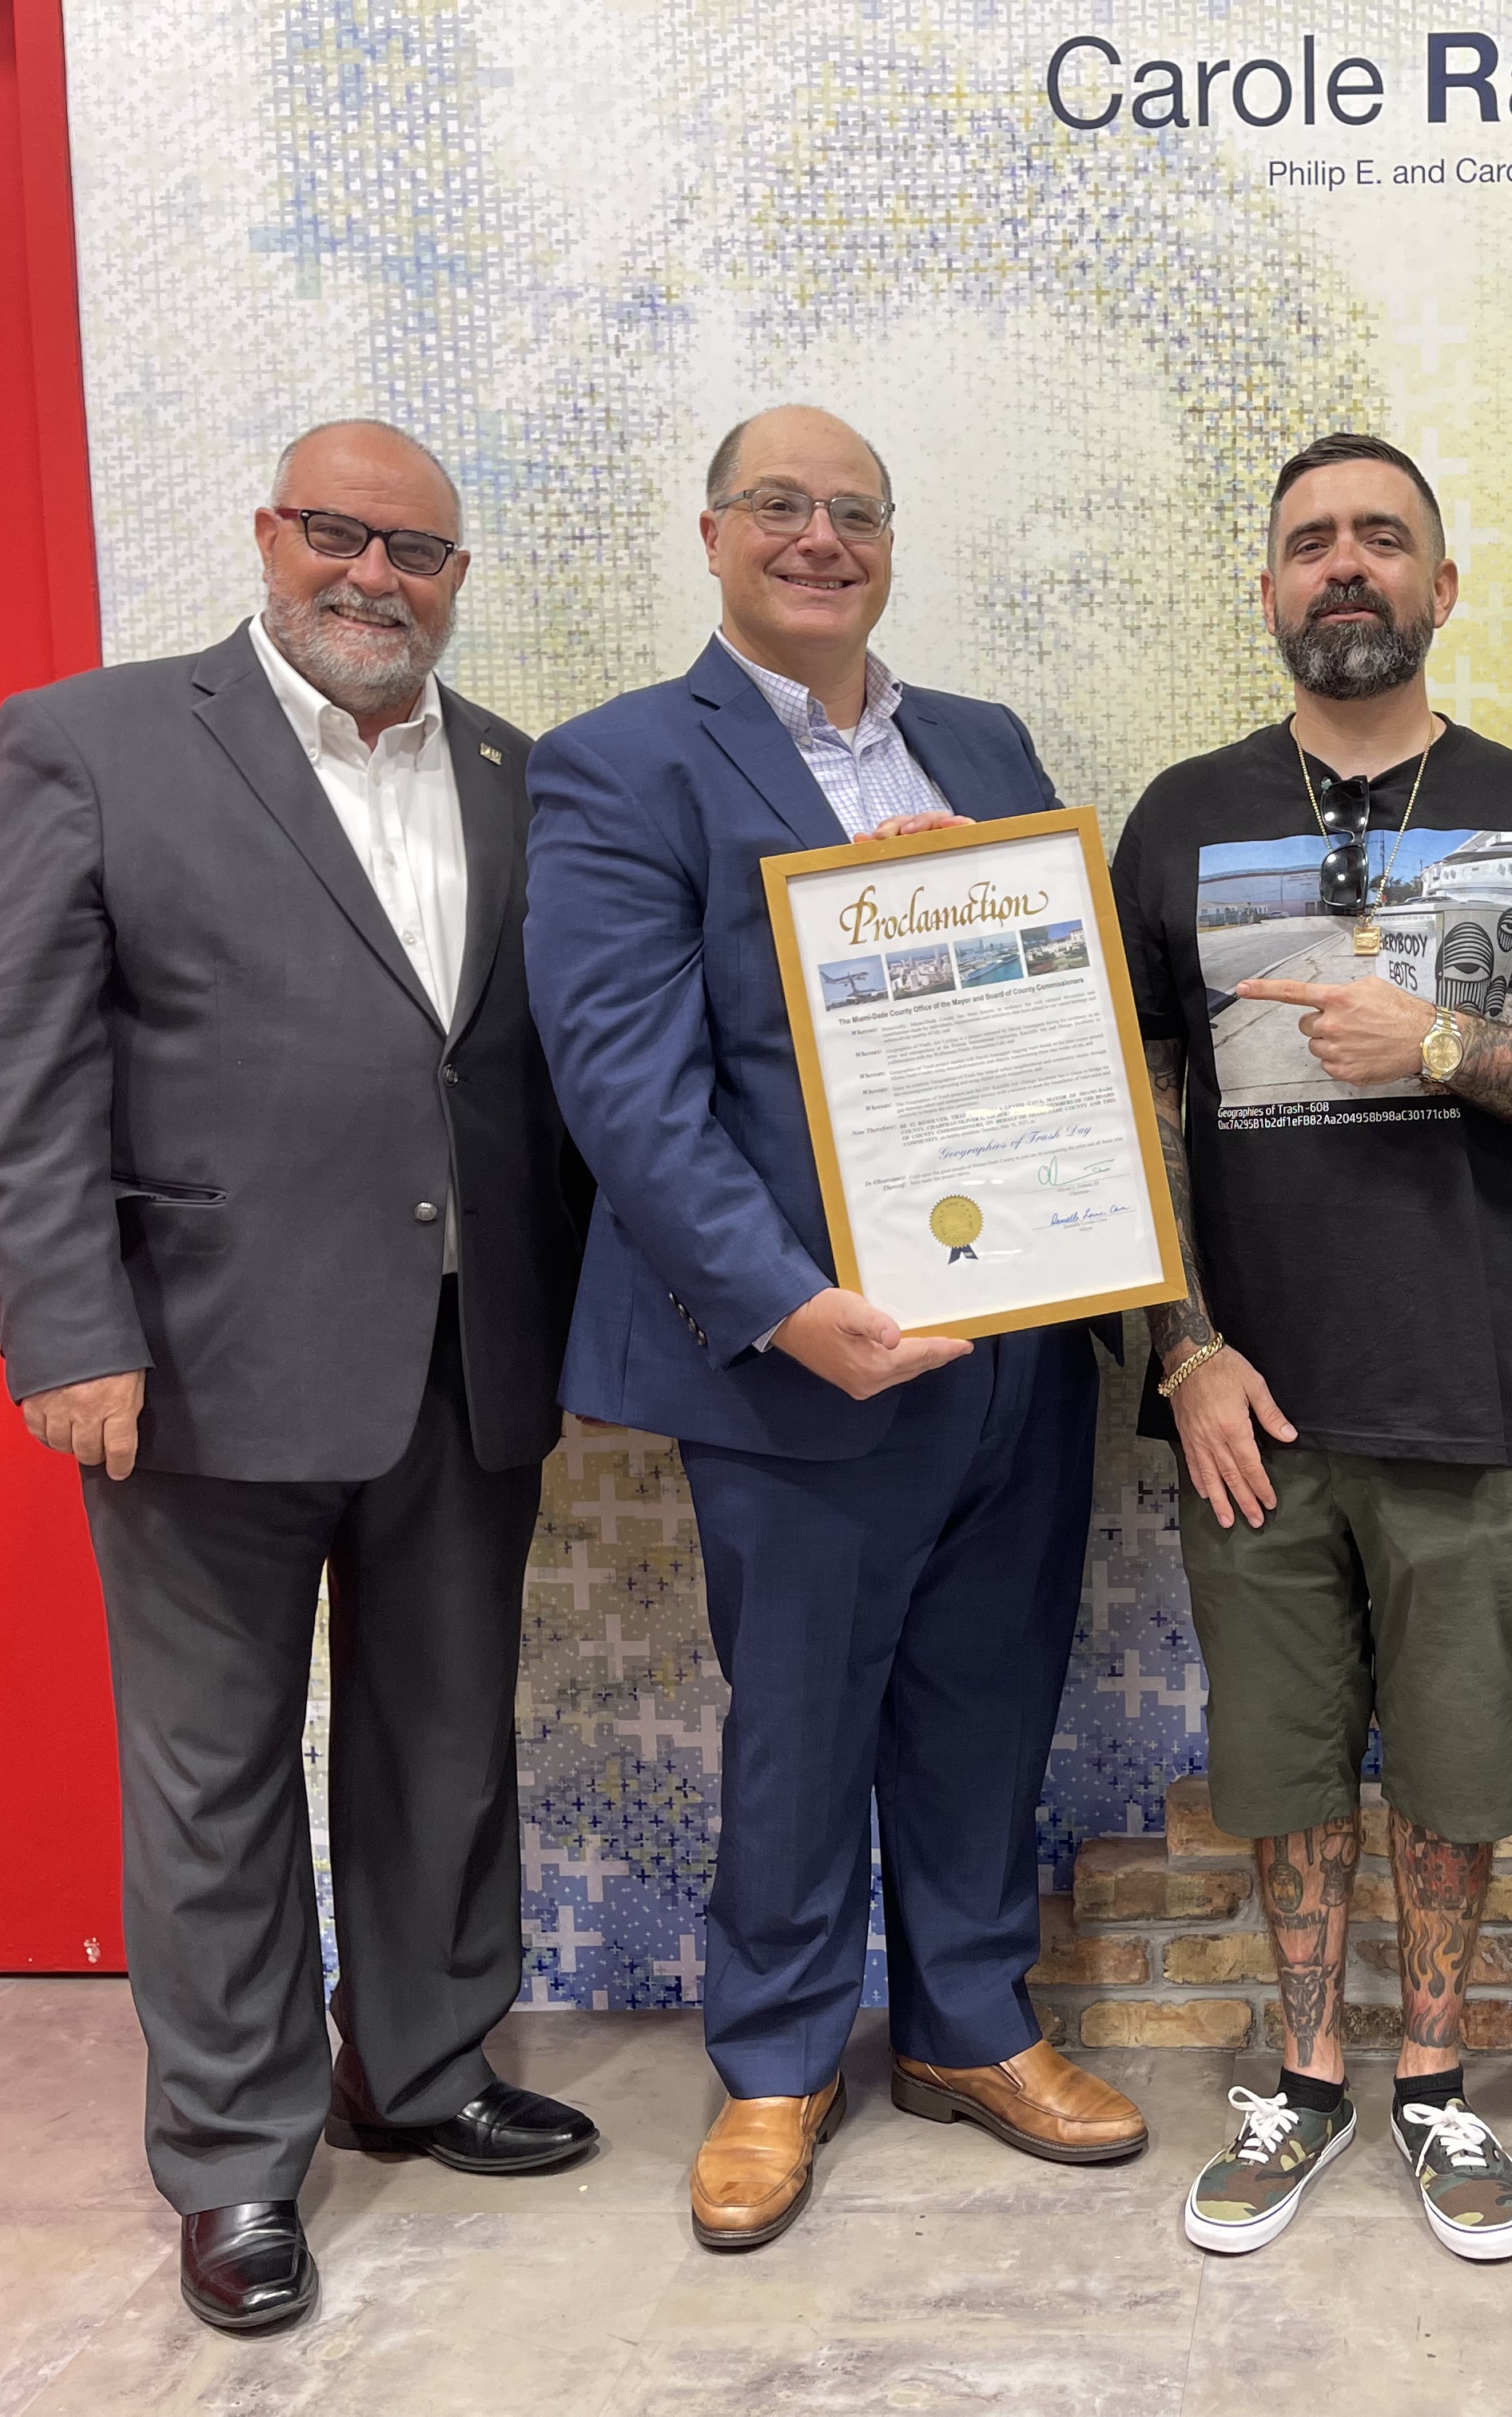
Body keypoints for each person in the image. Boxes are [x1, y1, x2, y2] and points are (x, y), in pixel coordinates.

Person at [0, 420, 597, 2335]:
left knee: (446, 1738)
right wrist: (68, 1330)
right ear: (269, 535)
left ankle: (423, 2065)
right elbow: (12, 1070)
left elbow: (528, 1082)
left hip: (471, 1360)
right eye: (341, 534)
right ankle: (235, 2156)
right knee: (216, 1774)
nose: (376, 576)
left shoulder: (513, 775)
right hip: (202, 1369)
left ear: (458, 579)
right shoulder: (100, 740)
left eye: (419, 551)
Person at [523, 405, 1146, 2256]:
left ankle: (967, 2026)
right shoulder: (622, 767)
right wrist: (790, 1306)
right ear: (714, 538)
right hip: (800, 1357)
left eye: (853, 511)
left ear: (891, 540)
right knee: (799, 1721)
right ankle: (777, 2063)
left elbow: (1050, 1021)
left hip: (1011, 1337)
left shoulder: (982, 744)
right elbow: (626, 1091)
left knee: (987, 1693)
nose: (819, 537)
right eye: (779, 508)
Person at [1116, 432, 1512, 2263]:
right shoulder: (1179, 816)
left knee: (1454, 1766)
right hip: (1249, 1401)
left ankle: (1433, 2086)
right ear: (1268, 590)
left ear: (1438, 584)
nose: (1347, 566)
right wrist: (1181, 1355)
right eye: (1311, 542)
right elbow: (1127, 1110)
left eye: (1382, 539)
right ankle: (1310, 2078)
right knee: (1280, 1767)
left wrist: (1434, 1044)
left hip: (1464, 1384)